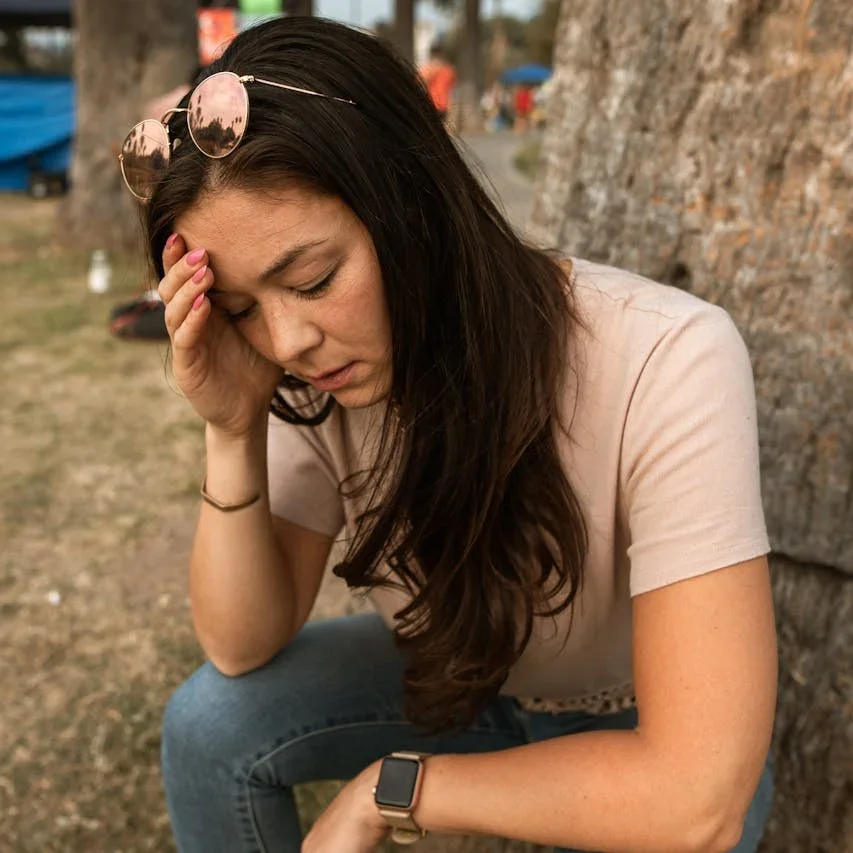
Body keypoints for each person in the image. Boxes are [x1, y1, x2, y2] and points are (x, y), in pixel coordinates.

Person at [123, 16, 777, 853]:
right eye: (244, 307)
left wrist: (388, 791)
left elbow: (696, 800)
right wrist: (232, 426)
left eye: (315, 279)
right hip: (459, 684)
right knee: (211, 723)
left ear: (411, 202)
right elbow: (241, 643)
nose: (286, 341)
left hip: (642, 719)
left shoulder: (668, 355)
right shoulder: (307, 375)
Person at [419, 43, 456, 124]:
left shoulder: (430, 69)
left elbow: (420, 83)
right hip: (437, 104)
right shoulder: (448, 70)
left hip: (435, 104)